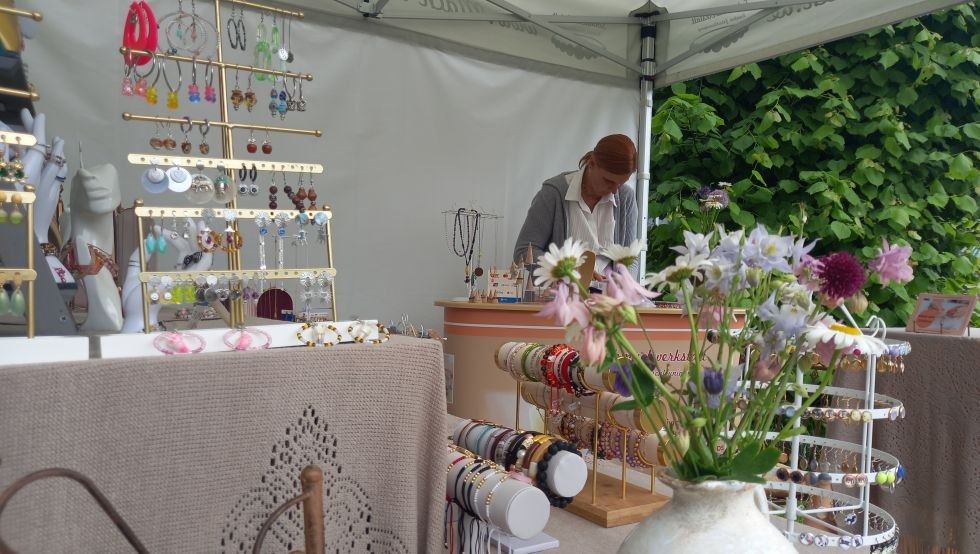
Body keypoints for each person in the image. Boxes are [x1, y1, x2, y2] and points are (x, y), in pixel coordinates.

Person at [513, 134, 638, 284]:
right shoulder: (553, 193)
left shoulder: (626, 197)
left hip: (607, 300)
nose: (614, 191)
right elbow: (523, 252)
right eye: (608, 181)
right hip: (559, 298)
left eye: (621, 184)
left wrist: (622, 286)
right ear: (592, 163)